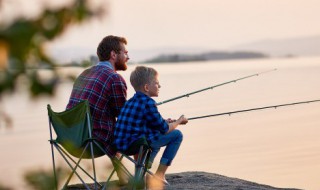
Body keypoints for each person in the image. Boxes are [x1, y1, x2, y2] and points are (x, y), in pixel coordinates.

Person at [66, 35, 129, 184]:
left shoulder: (84, 74)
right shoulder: (114, 78)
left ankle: (123, 176)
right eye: (125, 53)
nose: (128, 56)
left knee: (108, 125)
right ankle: (139, 177)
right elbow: (123, 116)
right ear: (113, 54)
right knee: (133, 128)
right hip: (92, 142)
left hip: (69, 138)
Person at [113, 66, 188, 186]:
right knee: (177, 135)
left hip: (120, 145)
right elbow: (164, 129)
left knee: (154, 133)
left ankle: (144, 170)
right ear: (147, 87)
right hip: (137, 145)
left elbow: (145, 121)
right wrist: (179, 121)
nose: (159, 86)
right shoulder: (149, 103)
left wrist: (164, 120)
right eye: (157, 83)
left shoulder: (129, 102)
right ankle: (159, 175)